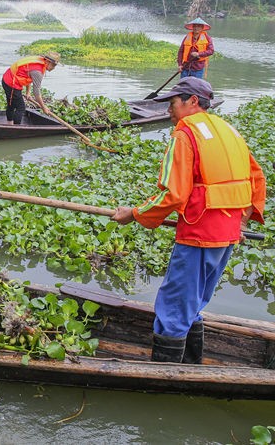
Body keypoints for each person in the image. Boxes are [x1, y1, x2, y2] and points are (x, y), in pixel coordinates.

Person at [111, 76, 265, 364]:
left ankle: (167, 374)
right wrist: (241, 223)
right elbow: (257, 179)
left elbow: (173, 194)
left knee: (175, 300)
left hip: (200, 231)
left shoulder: (185, 133)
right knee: (194, 299)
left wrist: (133, 214)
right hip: (228, 233)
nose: (169, 110)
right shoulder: (228, 129)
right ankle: (191, 365)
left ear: (192, 101)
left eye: (172, 103)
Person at [1, 52, 60, 124]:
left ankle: (9, 125)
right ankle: (15, 130)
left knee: (11, 104)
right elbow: (36, 93)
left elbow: (28, 76)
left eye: (55, 66)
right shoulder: (37, 72)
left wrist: (28, 93)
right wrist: (43, 107)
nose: (53, 68)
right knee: (21, 108)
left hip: (8, 78)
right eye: (53, 65)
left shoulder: (40, 62)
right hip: (11, 83)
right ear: (47, 61)